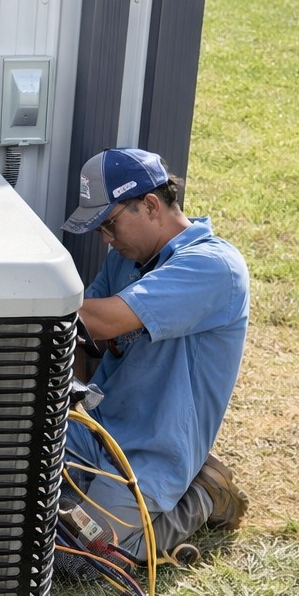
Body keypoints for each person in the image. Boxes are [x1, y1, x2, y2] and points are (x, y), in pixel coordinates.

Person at [61, 147, 249, 558]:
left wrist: (18, 304)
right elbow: (83, 331)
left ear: (149, 205)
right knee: (17, 497)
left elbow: (103, 321)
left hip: (153, 452)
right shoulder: (124, 260)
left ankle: (201, 494)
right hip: (99, 425)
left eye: (109, 224)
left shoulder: (214, 268)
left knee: (80, 555)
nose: (107, 240)